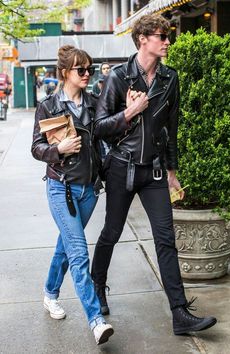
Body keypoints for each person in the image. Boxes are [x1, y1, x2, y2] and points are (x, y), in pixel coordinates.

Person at [91, 14, 217, 335]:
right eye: (162, 36)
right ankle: (97, 287)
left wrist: (173, 171)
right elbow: (99, 128)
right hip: (122, 168)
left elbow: (170, 130)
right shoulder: (119, 77)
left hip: (155, 172)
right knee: (111, 233)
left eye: (167, 36)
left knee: (165, 239)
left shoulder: (169, 79)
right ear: (143, 39)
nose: (167, 41)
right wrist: (130, 112)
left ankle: (179, 314)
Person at [31, 45, 114, 345]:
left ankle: (50, 294)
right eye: (82, 70)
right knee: (79, 253)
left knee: (65, 248)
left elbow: (104, 139)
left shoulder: (94, 103)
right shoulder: (48, 106)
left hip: (89, 190)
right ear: (66, 72)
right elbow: (36, 148)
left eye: (90, 69)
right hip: (61, 188)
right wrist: (58, 150)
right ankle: (96, 320)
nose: (87, 74)